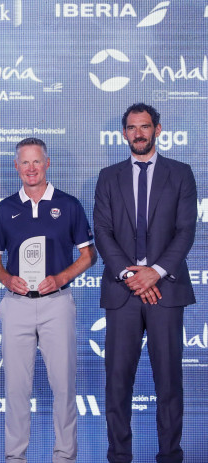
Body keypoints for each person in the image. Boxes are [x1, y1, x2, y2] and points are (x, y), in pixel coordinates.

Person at [94, 103, 196, 463]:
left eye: (145, 127)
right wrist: (130, 275)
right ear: (124, 133)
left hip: (165, 290)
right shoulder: (108, 176)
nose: (139, 133)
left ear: (158, 129)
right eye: (132, 127)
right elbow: (103, 233)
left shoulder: (181, 174)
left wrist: (154, 271)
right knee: (117, 384)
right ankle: (119, 457)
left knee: (169, 383)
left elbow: (186, 232)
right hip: (122, 293)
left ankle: (170, 456)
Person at [0, 138, 96, 463]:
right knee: (16, 390)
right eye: (25, 163)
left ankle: (64, 457)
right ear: (16, 167)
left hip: (56, 304)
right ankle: (15, 458)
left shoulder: (69, 204)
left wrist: (61, 278)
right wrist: (7, 278)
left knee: (63, 388)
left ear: (48, 164)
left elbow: (88, 254)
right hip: (17, 304)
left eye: (37, 162)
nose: (31, 169)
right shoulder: (6, 208)